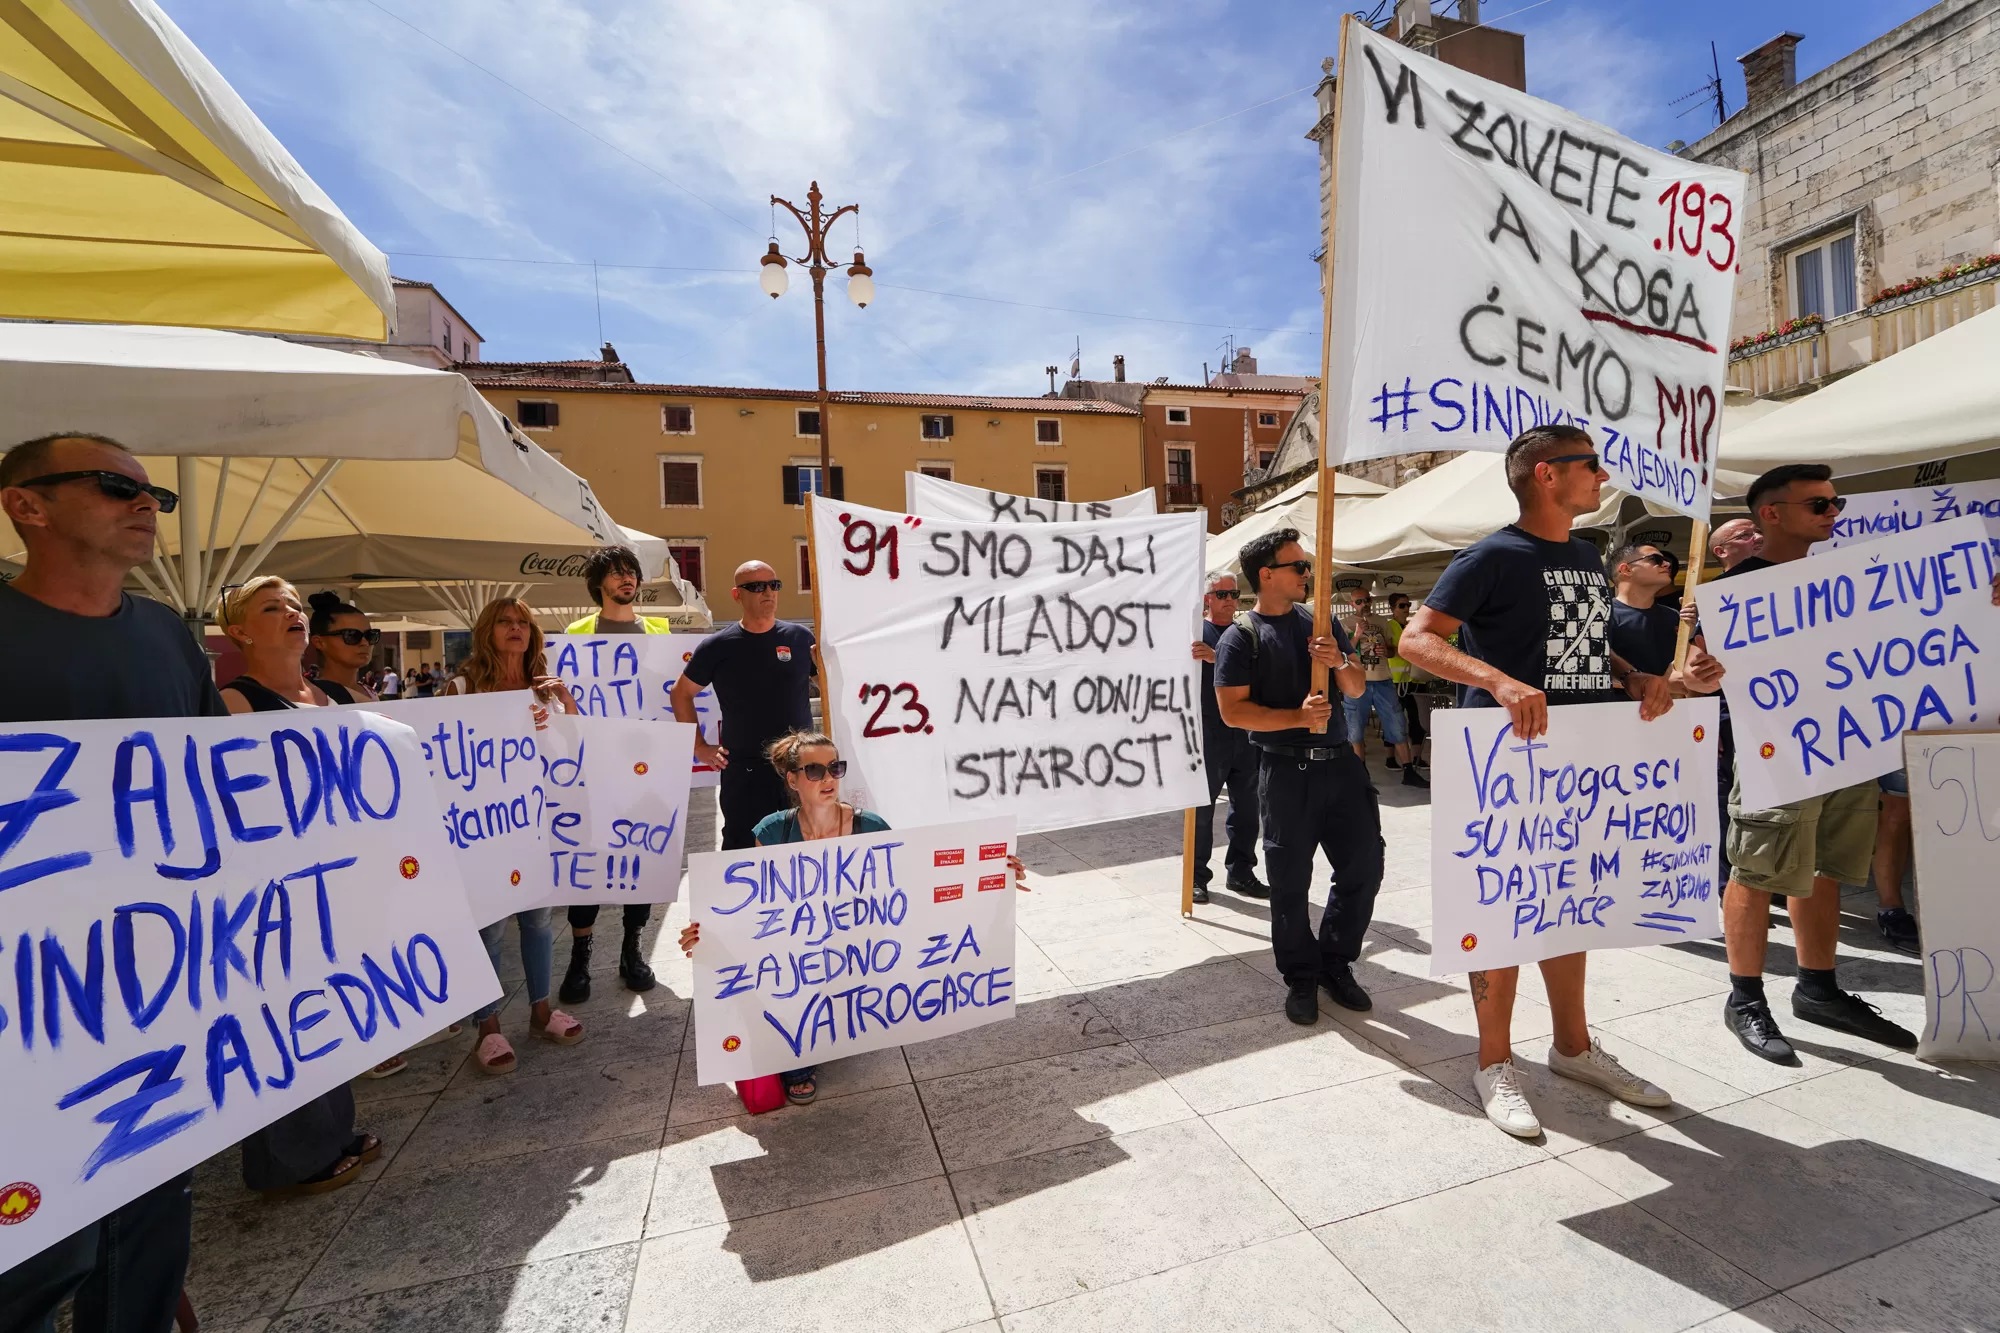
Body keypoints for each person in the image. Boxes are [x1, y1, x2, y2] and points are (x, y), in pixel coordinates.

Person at [1398, 425, 1721, 1138]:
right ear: (1546, 474)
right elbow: (1416, 639)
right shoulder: (1489, 555)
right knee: (1502, 911)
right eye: (1590, 465)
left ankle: (1573, 1048)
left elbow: (1587, 644)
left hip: (1579, 761)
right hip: (1505, 764)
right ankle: (1493, 1062)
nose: (1602, 476)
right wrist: (1498, 681)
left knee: (1569, 902)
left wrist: (1634, 676)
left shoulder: (1583, 555)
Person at [0, 433, 223, 1333]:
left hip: (160, 983)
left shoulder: (169, 635)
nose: (145, 505)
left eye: (155, 495)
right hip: (27, 1004)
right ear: (27, 506)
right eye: (113, 485)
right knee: (35, 1251)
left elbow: (226, 789)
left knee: (151, 1218)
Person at [1697, 465, 1924, 1062]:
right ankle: (1745, 999)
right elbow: (1692, 676)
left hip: (1847, 749)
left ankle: (1819, 989)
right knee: (1756, 871)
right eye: (1819, 505)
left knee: (1825, 869)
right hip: (1775, 755)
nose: (1833, 513)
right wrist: (1697, 673)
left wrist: (1979, 598)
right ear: (1771, 514)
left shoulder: (1846, 579)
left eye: (1834, 503)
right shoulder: (1735, 591)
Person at [679, 729, 1027, 1106]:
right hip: (805, 950)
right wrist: (711, 936)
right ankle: (803, 1053)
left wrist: (993, 875)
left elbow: (913, 886)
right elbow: (761, 907)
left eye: (835, 767)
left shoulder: (870, 826)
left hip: (862, 947)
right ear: (792, 780)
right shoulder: (773, 831)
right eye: (815, 771)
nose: (828, 778)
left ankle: (842, 1017)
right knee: (782, 976)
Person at [213, 577, 388, 1196]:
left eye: (293, 605)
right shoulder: (234, 703)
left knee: (323, 1005)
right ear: (239, 632)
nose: (292, 613)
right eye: (272, 608)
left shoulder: (331, 695)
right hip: (273, 890)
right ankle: (286, 1160)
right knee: (278, 1014)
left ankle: (332, 1133)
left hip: (334, 880)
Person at [1213, 528, 1381, 1024]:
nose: (1309, 574)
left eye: (1308, 565)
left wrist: (1338, 661)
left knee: (1364, 867)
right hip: (1285, 771)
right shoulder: (1240, 636)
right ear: (1267, 575)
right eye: (1299, 566)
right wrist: (1297, 718)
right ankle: (1301, 976)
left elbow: (1355, 687)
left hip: (1342, 768)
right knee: (1289, 883)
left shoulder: (1321, 622)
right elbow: (1233, 712)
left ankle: (1335, 962)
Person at [446, 598, 588, 1071]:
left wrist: (566, 702)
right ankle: (487, 1027)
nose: (516, 629)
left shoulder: (543, 688)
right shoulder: (463, 686)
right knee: (490, 927)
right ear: (487, 630)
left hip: (537, 821)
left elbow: (575, 747)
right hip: (485, 825)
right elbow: (447, 754)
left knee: (539, 920)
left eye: (523, 622)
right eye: (505, 622)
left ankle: (541, 1012)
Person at [557, 546, 674, 1003]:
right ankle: (580, 956)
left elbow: (673, 694)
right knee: (588, 858)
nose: (627, 579)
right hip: (592, 767)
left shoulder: (660, 630)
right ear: (598, 584)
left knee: (640, 853)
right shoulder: (575, 635)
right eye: (616, 573)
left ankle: (632, 949)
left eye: (631, 572)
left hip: (646, 767)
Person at [671, 560, 817, 850]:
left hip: (800, 767)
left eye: (774, 585)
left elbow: (827, 684)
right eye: (757, 586)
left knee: (804, 848)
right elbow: (680, 693)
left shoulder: (800, 638)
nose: (768, 592)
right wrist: (699, 746)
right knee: (743, 850)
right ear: (737, 595)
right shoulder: (717, 646)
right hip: (746, 772)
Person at [1188, 573, 1265, 905]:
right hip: (1208, 732)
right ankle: (1195, 877)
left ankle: (1241, 872)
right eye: (1223, 594)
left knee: (1247, 808)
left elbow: (1260, 672)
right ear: (1207, 598)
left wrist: (1217, 657)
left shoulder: (1244, 632)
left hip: (1244, 732)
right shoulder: (1196, 632)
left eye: (1235, 594)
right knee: (1201, 809)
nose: (1230, 600)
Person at [1339, 585, 1427, 787]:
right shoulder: (1344, 623)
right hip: (1357, 682)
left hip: (1383, 681)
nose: (1364, 604)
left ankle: (1408, 771)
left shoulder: (1382, 622)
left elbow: (1391, 651)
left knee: (1397, 725)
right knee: (1355, 730)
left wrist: (1385, 651)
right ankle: (1360, 776)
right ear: (1351, 604)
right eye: (1359, 601)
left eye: (1367, 600)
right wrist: (1357, 634)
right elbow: (1343, 654)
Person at [1606, 542, 1681, 677]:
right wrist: (1661, 684)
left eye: (1665, 560)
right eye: (1655, 559)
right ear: (1626, 569)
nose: (1667, 564)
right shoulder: (1602, 616)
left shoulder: (1673, 615)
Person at [306, 590, 379, 704]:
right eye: (351, 635)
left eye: (370, 635)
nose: (365, 642)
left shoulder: (369, 692)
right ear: (319, 642)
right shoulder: (313, 697)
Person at [1385, 592, 1429, 769]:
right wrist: (1407, 651)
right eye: (1402, 605)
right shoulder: (1389, 626)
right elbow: (1389, 650)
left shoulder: (1412, 626)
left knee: (1417, 720)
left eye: (1408, 605)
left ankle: (1417, 757)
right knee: (1393, 720)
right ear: (1393, 608)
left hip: (1416, 679)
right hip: (1396, 681)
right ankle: (1390, 757)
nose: (1406, 608)